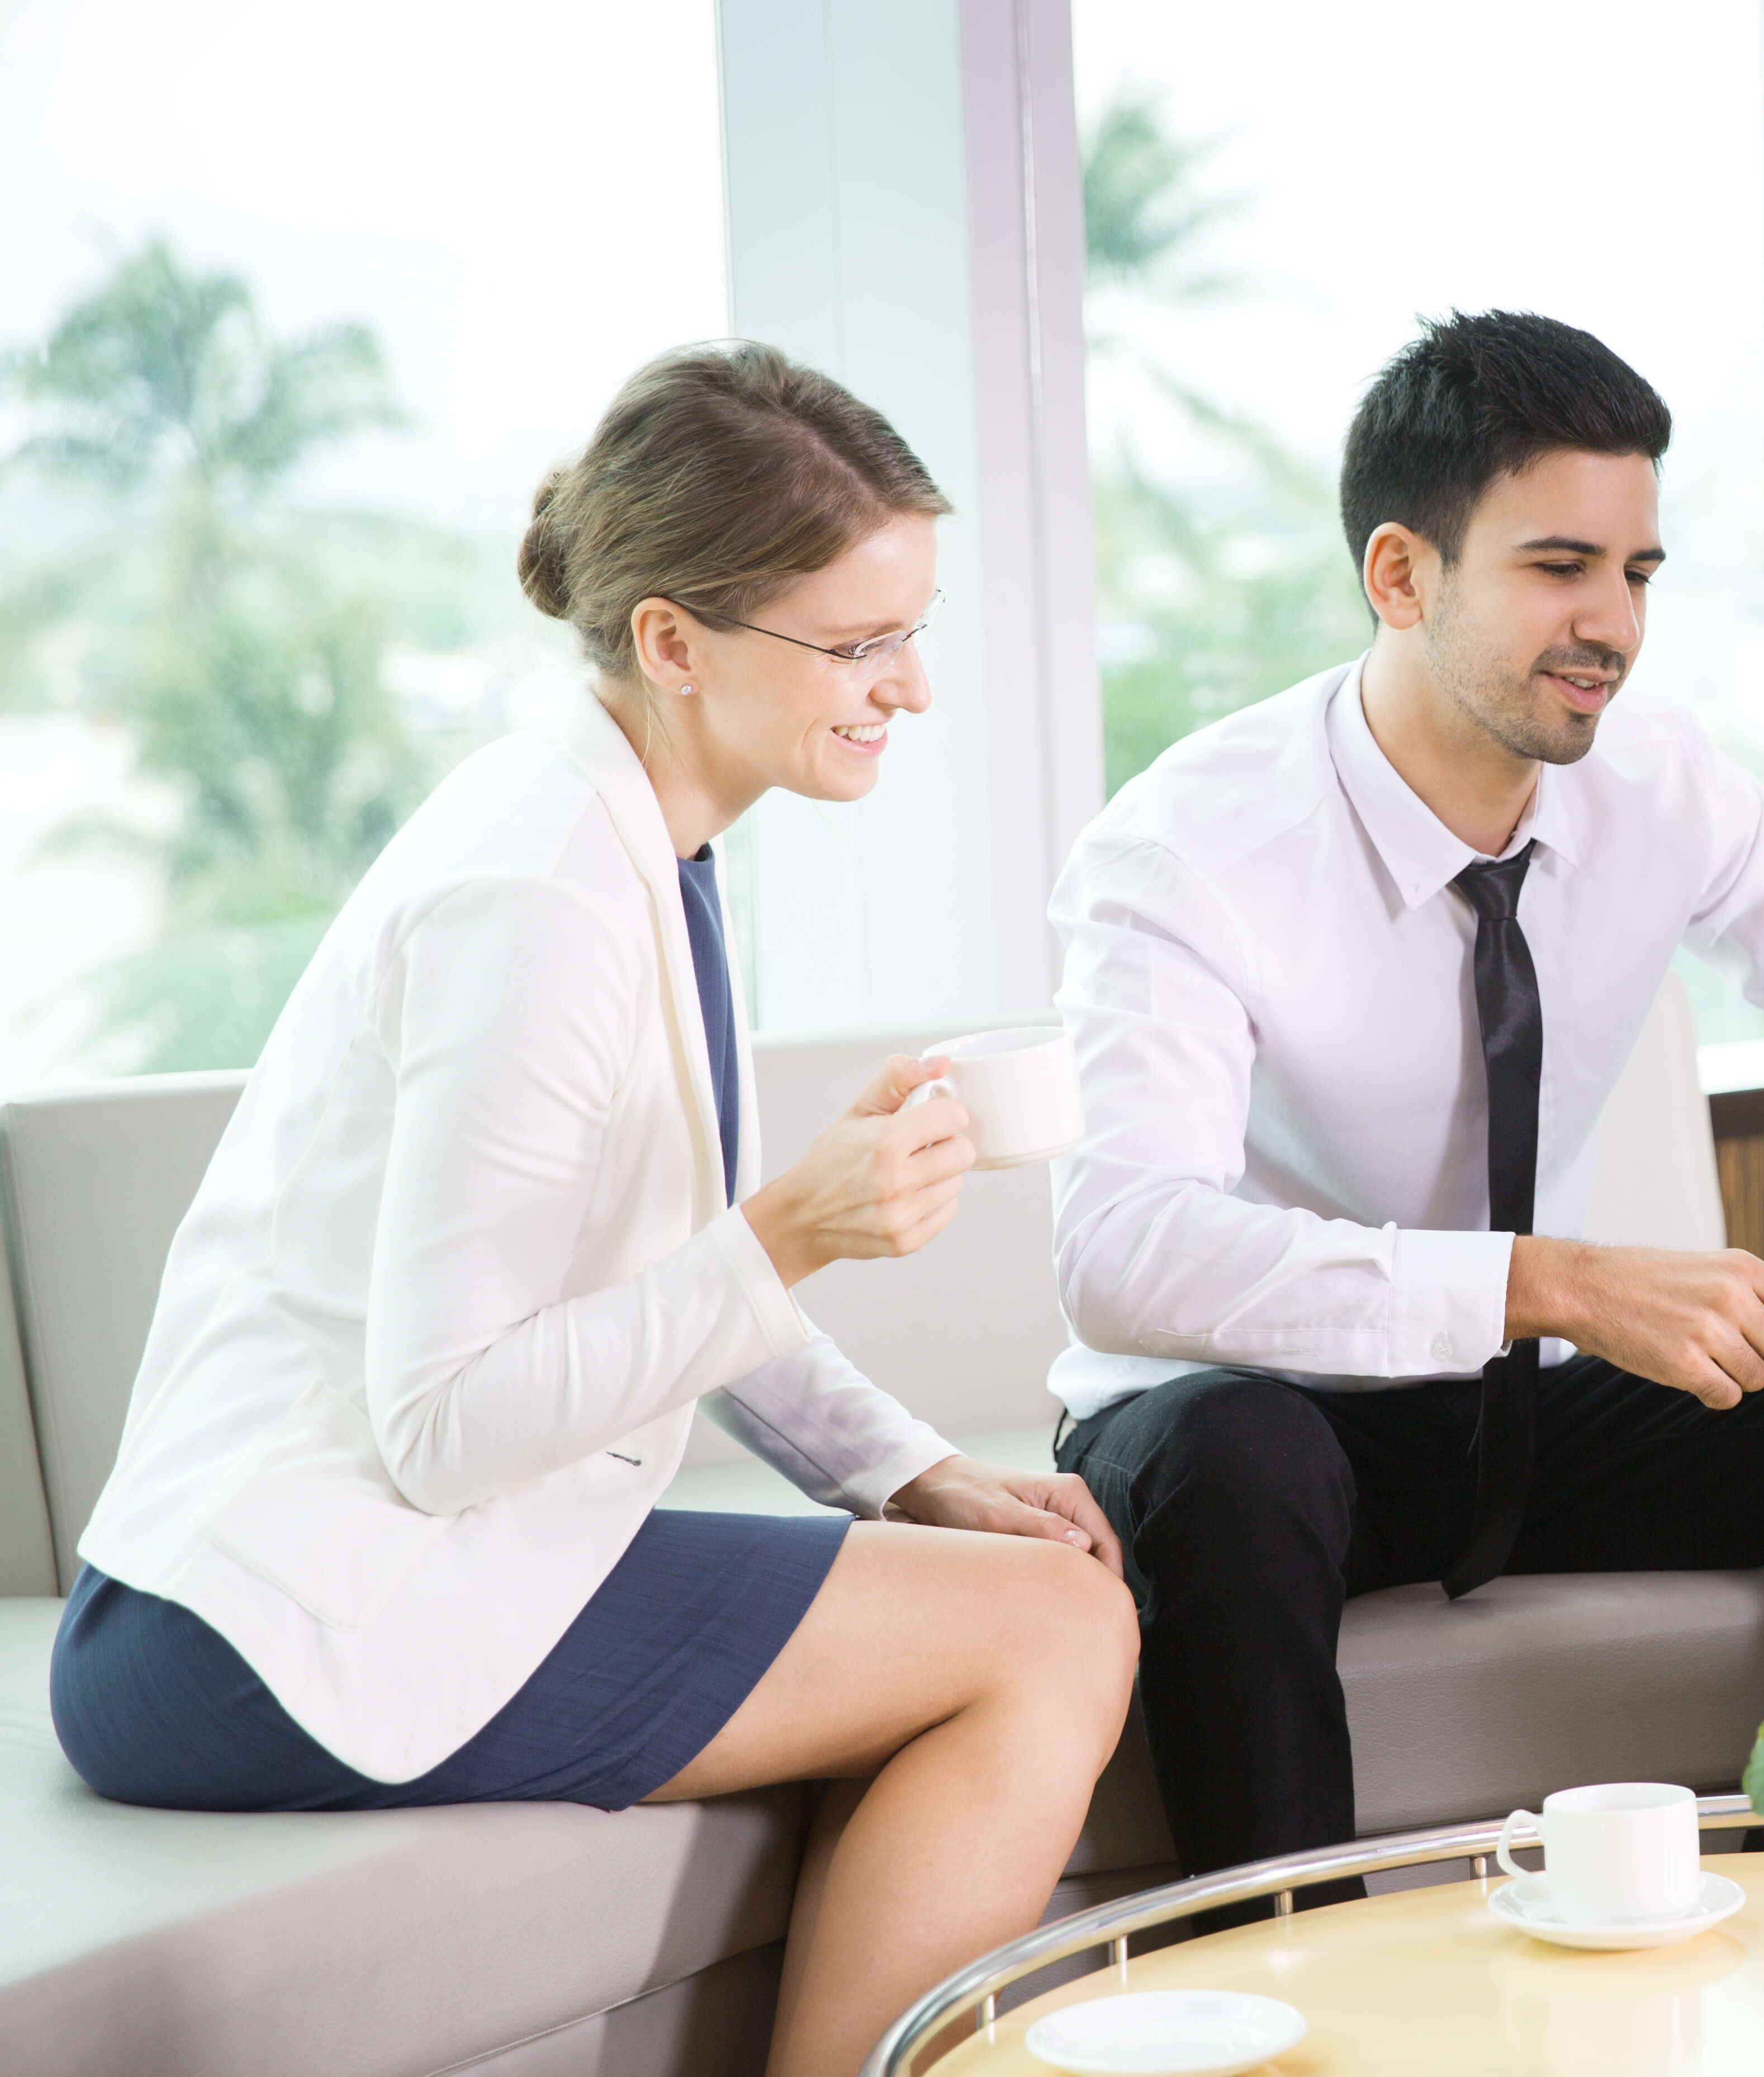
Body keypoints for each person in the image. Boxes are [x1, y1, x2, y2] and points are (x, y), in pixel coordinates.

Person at [52, 344, 1139, 2077]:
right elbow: (443, 1426)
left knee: (1025, 1600)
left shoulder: (642, 833)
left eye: (912, 630)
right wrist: (788, 1228)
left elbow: (659, 1270)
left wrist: (915, 1477)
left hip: (329, 1575)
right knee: (1060, 1633)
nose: (910, 687)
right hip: (266, 1622)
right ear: (673, 640)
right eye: (861, 645)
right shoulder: (540, 890)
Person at [1050, 309, 1764, 1909]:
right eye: (1557, 567)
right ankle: (1298, 1987)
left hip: (1520, 1414)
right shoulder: (1184, 848)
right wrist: (1553, 1281)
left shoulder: (1659, 782)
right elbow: (1122, 1250)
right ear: (1400, 574)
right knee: (1236, 1460)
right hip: (1256, 1423)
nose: (1611, 625)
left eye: (1639, 574)